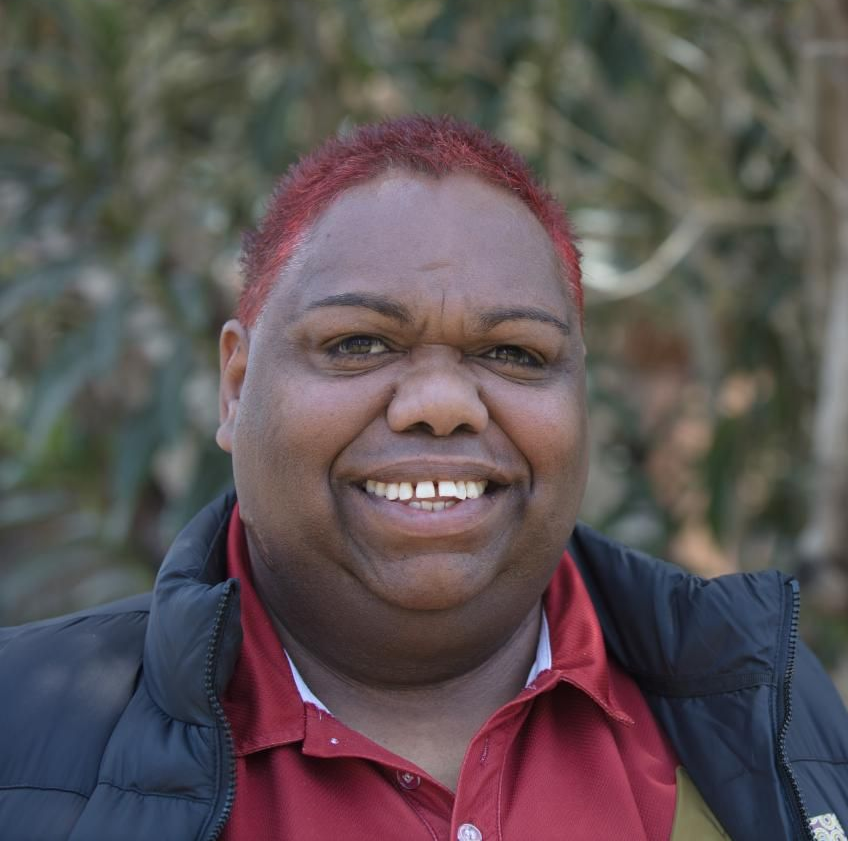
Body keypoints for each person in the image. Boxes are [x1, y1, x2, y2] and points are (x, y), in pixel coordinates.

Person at [1, 116, 846, 841]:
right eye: (358, 343)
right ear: (235, 386)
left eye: (514, 353)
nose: (441, 404)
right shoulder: (26, 729)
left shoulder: (762, 710)